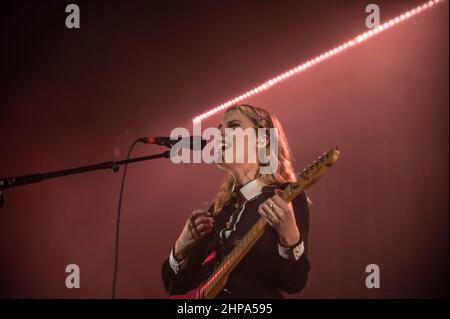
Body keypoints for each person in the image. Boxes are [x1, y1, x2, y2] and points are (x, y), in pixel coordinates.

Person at [161, 104, 310, 298]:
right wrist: (182, 245)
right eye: (220, 129)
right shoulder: (219, 209)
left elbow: (294, 283)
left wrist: (290, 238)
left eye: (233, 126)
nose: (220, 134)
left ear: (262, 140)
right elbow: (175, 287)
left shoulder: (286, 198)